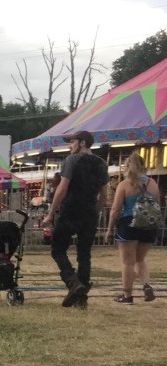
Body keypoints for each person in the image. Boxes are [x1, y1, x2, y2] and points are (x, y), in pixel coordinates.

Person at [42, 130, 108, 308]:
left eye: (72, 142)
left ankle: (73, 282)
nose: (70, 145)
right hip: (89, 212)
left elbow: (62, 188)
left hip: (71, 209)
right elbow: (104, 194)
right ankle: (81, 299)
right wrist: (95, 211)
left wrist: (50, 212)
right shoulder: (102, 164)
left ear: (83, 143)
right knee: (84, 255)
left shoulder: (72, 160)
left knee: (57, 249)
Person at [104, 152, 159, 304]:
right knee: (140, 260)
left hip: (129, 223)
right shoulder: (152, 184)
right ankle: (146, 285)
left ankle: (127, 295)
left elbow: (115, 210)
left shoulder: (124, 185)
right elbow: (157, 204)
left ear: (127, 166)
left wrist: (109, 229)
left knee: (128, 262)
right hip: (149, 224)